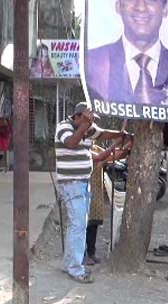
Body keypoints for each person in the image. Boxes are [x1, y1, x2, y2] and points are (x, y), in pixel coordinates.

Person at [55, 102, 125, 283]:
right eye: (88, 119)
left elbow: (102, 134)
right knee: (78, 226)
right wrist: (85, 125)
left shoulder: (87, 128)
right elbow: (71, 143)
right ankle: (76, 269)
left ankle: (71, 263)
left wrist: (122, 135)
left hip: (82, 183)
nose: (92, 123)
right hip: (71, 183)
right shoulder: (64, 127)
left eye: (92, 120)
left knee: (76, 226)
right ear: (77, 116)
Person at [85, 136, 133, 266]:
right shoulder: (85, 150)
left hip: (95, 190)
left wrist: (127, 146)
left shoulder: (94, 148)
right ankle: (84, 254)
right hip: (86, 190)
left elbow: (114, 156)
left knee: (93, 222)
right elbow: (102, 156)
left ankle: (91, 252)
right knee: (86, 224)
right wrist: (118, 142)